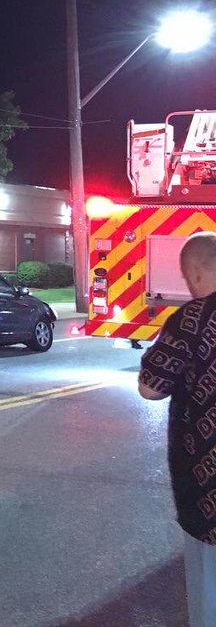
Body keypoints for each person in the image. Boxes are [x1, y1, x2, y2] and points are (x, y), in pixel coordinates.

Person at [138, 232, 216, 625]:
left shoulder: (191, 320)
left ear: (196, 274)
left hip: (207, 486)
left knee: (209, 582)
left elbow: (150, 388)